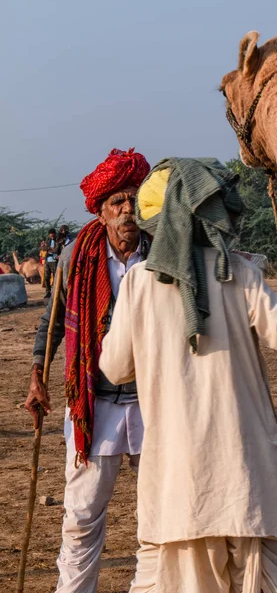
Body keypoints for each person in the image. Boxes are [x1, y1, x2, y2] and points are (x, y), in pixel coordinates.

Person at [100, 158, 277, 593]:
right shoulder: (240, 272)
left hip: (177, 480)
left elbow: (113, 366)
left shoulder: (138, 284)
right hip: (245, 472)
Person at [24, 148, 151, 593]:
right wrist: (38, 373)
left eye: (134, 201)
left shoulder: (161, 253)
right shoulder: (78, 256)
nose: (127, 212)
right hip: (93, 404)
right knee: (81, 517)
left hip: (155, 403)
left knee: (159, 515)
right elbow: (53, 320)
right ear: (101, 211)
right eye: (118, 203)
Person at [43, 228, 59, 298]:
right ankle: (48, 291)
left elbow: (57, 250)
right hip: (47, 261)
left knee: (56, 277)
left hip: (55, 261)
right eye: (51, 236)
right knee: (46, 277)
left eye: (53, 236)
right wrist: (51, 248)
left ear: (55, 234)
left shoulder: (58, 241)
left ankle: (55, 291)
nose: (52, 237)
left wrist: (49, 249)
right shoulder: (48, 241)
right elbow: (43, 248)